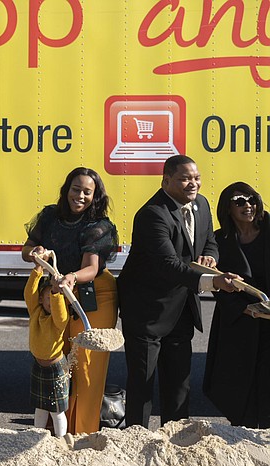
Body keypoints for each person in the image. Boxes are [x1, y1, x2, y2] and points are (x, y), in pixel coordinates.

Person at [118, 154, 241, 428]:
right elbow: (168, 265)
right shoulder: (152, 214)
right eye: (185, 178)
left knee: (179, 384)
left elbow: (210, 240)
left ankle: (176, 440)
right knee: (142, 384)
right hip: (147, 311)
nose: (192, 184)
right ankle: (136, 440)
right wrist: (213, 282)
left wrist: (211, 258)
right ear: (166, 181)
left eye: (196, 178)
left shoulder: (202, 204)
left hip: (182, 307)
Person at [22, 167, 118, 434]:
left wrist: (72, 277)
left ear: (95, 196)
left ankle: (82, 435)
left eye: (88, 192)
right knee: (57, 363)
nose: (81, 196)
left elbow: (91, 267)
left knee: (86, 369)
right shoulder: (50, 216)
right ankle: (54, 435)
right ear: (67, 189)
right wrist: (35, 253)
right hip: (58, 292)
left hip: (93, 298)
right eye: (76, 189)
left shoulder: (98, 225)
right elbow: (27, 250)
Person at [203, 182, 270, 428]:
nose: (248, 206)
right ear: (227, 208)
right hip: (238, 323)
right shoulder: (219, 241)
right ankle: (242, 434)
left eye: (252, 199)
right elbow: (214, 280)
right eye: (239, 201)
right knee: (237, 383)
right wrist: (244, 308)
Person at [24, 261, 71, 437]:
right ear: (41, 300)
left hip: (56, 367)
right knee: (40, 407)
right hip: (39, 365)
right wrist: (38, 269)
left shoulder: (59, 320)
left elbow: (59, 313)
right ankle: (37, 435)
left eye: (53, 298)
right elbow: (29, 293)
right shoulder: (36, 312)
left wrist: (55, 292)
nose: (50, 301)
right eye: (46, 298)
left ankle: (60, 439)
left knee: (56, 410)